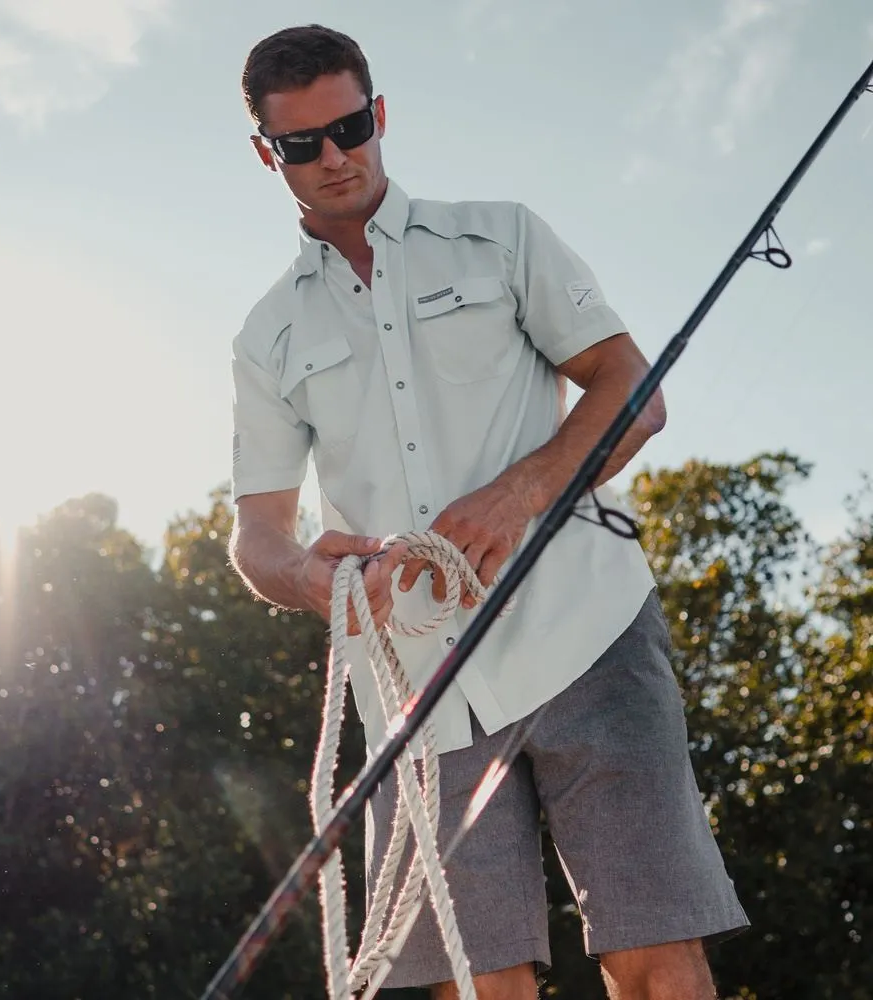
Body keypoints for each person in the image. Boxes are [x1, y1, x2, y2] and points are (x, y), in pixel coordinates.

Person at [227, 23, 749, 1000]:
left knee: (654, 963)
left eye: (348, 128)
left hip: (586, 633)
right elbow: (255, 538)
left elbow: (631, 389)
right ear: (268, 151)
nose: (333, 158)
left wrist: (519, 493)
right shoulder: (267, 337)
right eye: (302, 144)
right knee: (482, 986)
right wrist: (310, 576)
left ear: (377, 115)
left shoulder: (503, 234)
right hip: (421, 700)